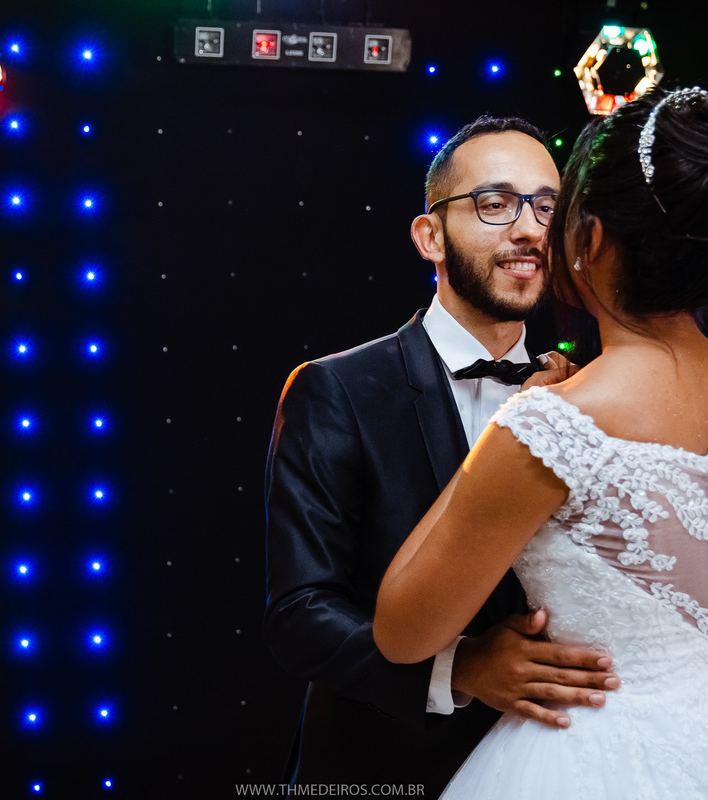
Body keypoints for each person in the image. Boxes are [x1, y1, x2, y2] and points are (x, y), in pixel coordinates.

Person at [373, 87, 708, 799]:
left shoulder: (553, 423)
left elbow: (402, 632)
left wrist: (506, 430)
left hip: (594, 757)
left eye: (556, 210)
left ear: (591, 239)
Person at [262, 117, 622, 796]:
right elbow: (300, 615)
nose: (529, 229)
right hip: (386, 769)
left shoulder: (592, 391)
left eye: (548, 207)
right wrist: (462, 668)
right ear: (430, 236)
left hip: (563, 763)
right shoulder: (336, 390)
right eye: (495, 203)